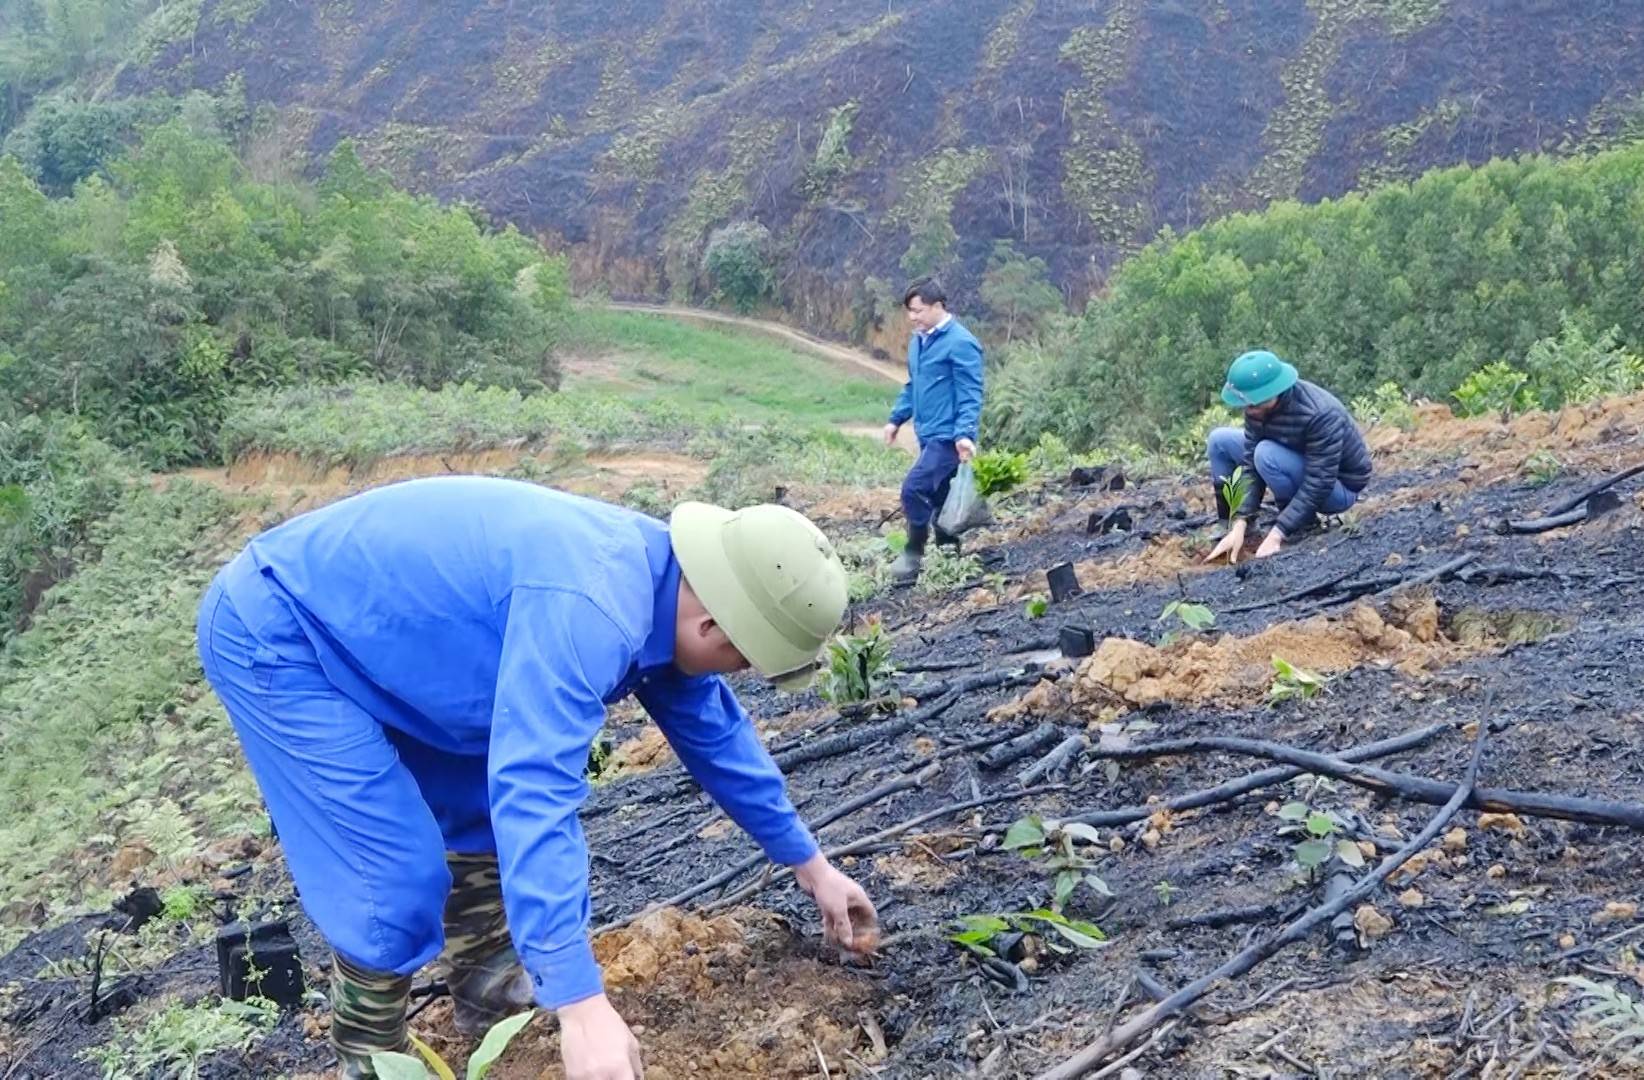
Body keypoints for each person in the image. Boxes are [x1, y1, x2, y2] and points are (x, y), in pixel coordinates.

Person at [195, 477, 878, 1080]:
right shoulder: (594, 607)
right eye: (744, 662)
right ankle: (371, 1053)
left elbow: (717, 736)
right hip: (282, 635)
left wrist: (811, 865)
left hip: (401, 648)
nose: (737, 676)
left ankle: (488, 986)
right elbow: (536, 795)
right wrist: (581, 1005)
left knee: (475, 815)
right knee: (394, 878)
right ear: (711, 626)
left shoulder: (663, 587)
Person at [1205, 350, 1373, 564]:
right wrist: (1240, 521)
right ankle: (1230, 527)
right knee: (1219, 440)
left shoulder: (1321, 413)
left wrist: (1278, 533)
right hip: (1290, 458)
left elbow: (1319, 481)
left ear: (1271, 393)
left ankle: (1303, 525)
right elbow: (1249, 466)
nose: (1248, 409)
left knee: (1265, 454)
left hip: (1337, 488)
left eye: (1253, 404)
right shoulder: (1258, 409)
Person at [882, 276, 986, 585]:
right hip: (927, 434)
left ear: (938, 306)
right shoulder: (919, 341)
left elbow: (970, 393)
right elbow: (913, 385)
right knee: (941, 497)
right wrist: (896, 419)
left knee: (913, 489)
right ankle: (949, 557)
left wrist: (964, 434)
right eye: (910, 311)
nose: (912, 318)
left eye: (918, 311)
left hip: (948, 438)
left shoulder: (961, 343)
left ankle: (913, 554)